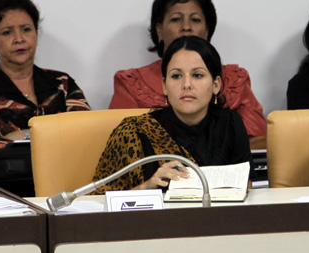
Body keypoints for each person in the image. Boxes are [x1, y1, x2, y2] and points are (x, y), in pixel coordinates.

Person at [108, 0, 267, 149]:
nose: (186, 27)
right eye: (176, 19)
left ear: (206, 31)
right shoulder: (131, 84)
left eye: (196, 20)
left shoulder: (235, 80)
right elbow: (121, 147)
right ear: (159, 30)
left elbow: (258, 144)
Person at [0, 0, 91, 195]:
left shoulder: (62, 84)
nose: (19, 39)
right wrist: (44, 135)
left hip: (65, 191)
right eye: (7, 32)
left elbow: (86, 136)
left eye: (26, 29)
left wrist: (21, 135)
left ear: (36, 34)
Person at [93, 36, 254, 193]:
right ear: (164, 86)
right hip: (149, 219)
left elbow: (245, 188)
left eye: (197, 75)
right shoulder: (134, 132)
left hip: (216, 219)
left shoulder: (230, 124)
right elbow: (98, 204)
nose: (186, 84)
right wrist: (147, 187)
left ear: (216, 85)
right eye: (176, 76)